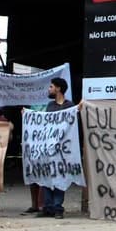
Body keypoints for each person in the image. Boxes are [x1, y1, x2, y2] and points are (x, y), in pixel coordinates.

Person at [37, 77, 74, 218]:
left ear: (58, 88)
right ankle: (48, 207)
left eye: (51, 86)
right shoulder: (50, 106)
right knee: (47, 176)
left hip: (63, 149)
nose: (49, 89)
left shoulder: (69, 106)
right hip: (49, 147)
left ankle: (58, 207)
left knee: (60, 177)